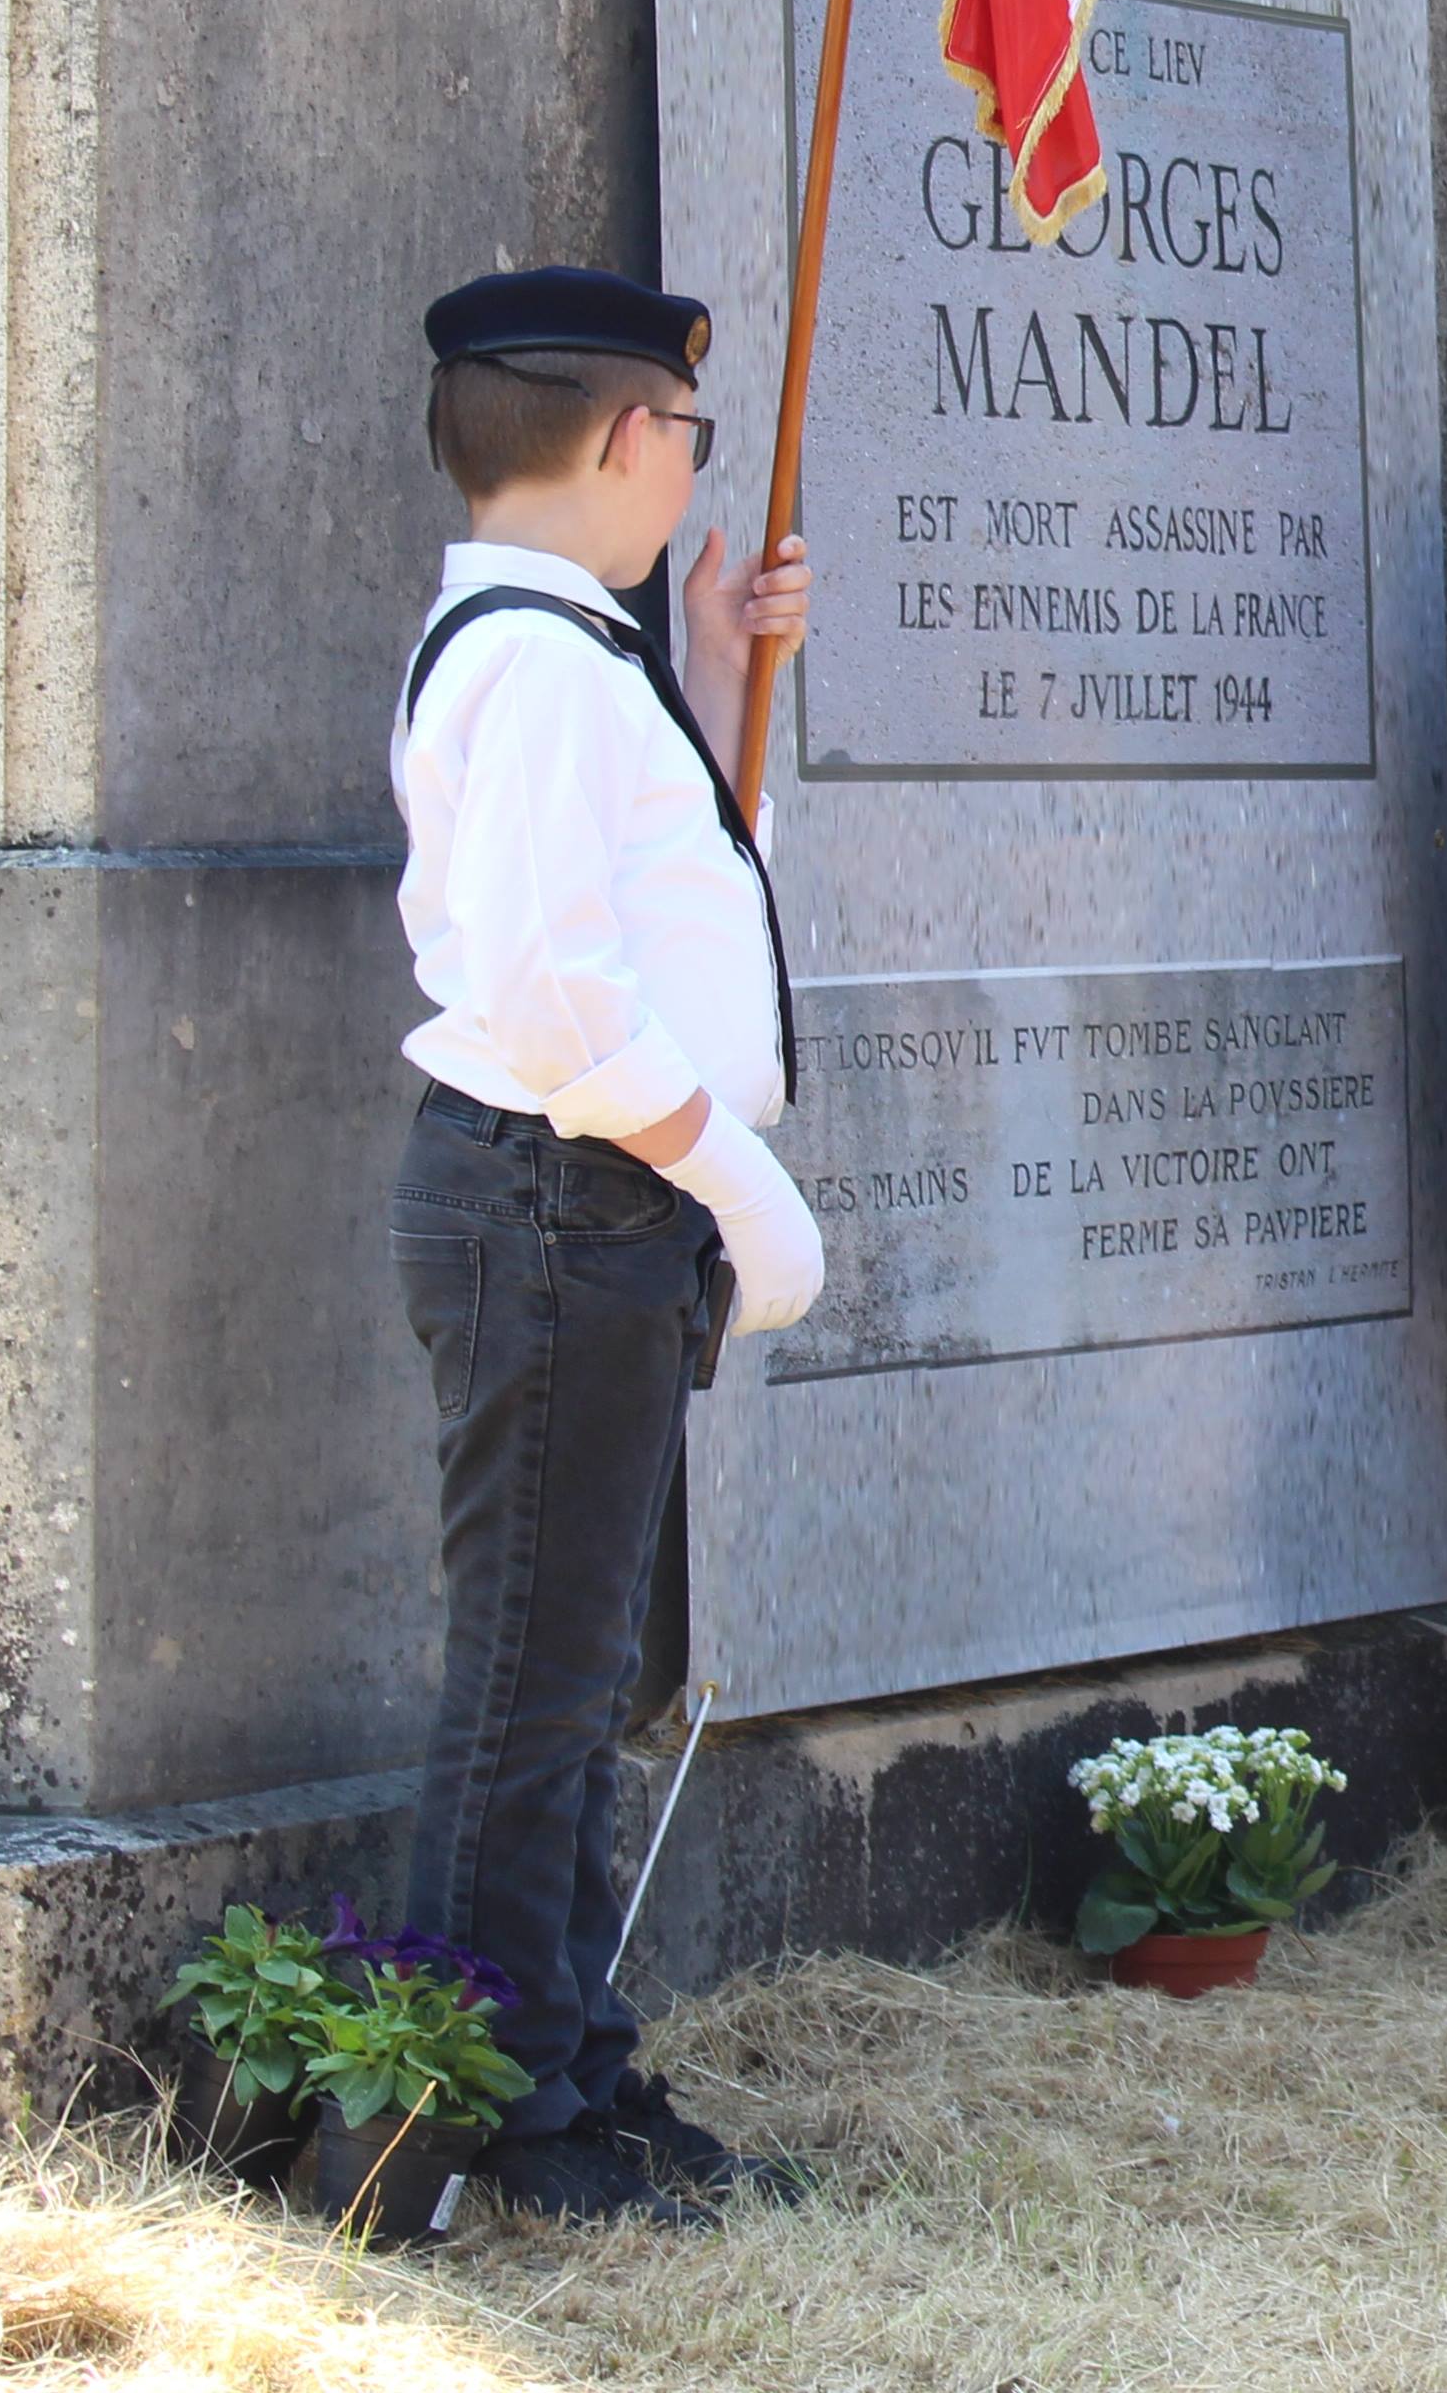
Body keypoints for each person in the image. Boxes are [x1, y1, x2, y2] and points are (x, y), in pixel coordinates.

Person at [389, 267, 827, 2231]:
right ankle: (499, 2118)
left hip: (581, 1207)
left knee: (568, 1684)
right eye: (690, 437)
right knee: (531, 1689)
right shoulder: (547, 668)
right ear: (631, 438)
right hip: (568, 1200)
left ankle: (561, 2061)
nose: (692, 475)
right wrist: (734, 1176)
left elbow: (663, 906)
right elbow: (565, 1001)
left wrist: (726, 685)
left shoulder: (569, 648)